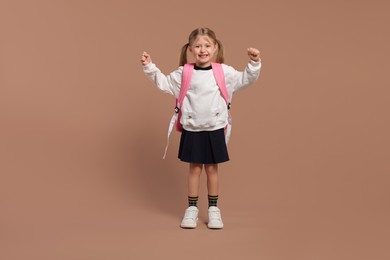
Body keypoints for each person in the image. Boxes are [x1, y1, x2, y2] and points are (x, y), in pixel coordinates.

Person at [140, 27, 261, 229]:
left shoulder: (223, 72)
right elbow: (163, 83)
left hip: (214, 127)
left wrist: (254, 63)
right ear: (190, 49)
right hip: (192, 128)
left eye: (207, 45)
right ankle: (192, 209)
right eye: (197, 46)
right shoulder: (184, 73)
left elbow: (244, 79)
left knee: (212, 169)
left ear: (215, 48)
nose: (202, 49)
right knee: (194, 168)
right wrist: (150, 66)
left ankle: (214, 210)